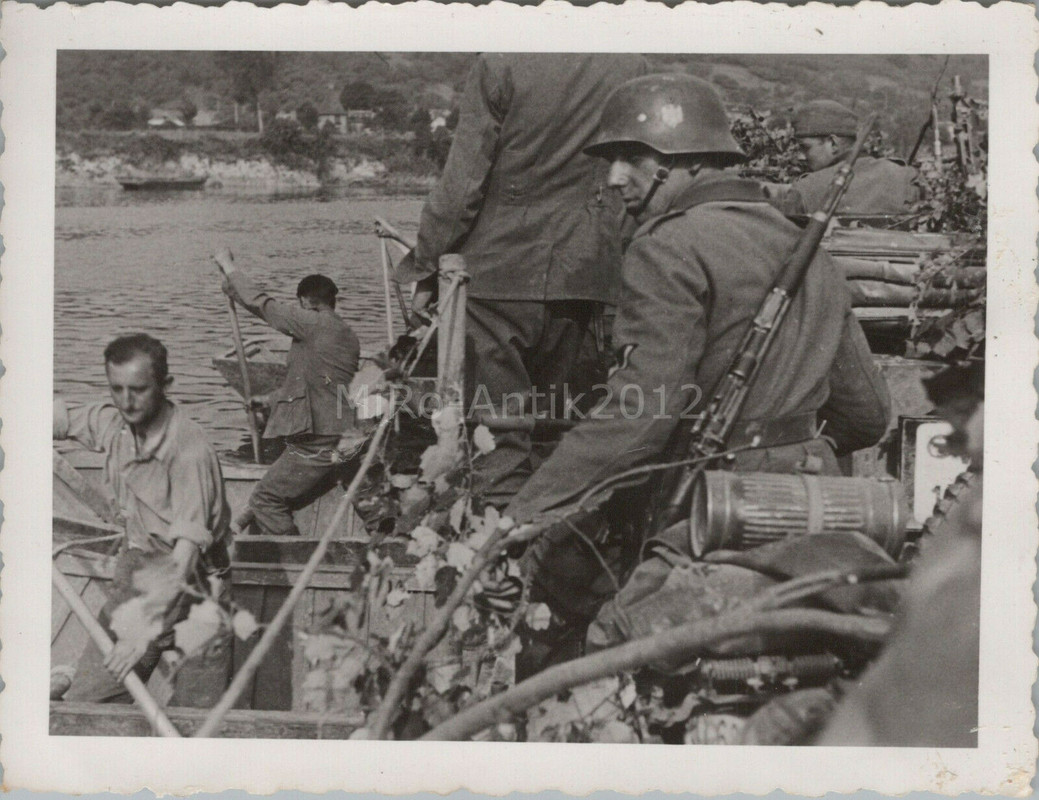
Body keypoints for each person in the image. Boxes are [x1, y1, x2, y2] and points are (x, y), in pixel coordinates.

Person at [501, 74, 892, 668]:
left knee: (611, 648)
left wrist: (527, 514)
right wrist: (792, 448)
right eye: (610, 161)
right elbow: (868, 414)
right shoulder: (806, 249)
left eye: (633, 158)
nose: (614, 179)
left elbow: (641, 414)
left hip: (717, 501)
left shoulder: (668, 247)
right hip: (817, 501)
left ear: (689, 162)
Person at [397, 53, 648, 507]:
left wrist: (428, 265)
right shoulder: (629, 63)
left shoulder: (501, 61)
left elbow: (462, 182)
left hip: (498, 273)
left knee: (499, 436)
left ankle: (493, 557)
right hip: (586, 276)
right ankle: (549, 555)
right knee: (558, 430)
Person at [54, 333, 232, 705]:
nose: (126, 402)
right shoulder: (115, 423)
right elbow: (56, 417)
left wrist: (142, 633)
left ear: (165, 386)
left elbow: (185, 556)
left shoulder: (189, 451)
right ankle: (83, 682)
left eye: (138, 390)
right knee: (90, 703)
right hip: (137, 569)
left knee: (197, 723)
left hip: (193, 585)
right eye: (116, 389)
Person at [215, 249, 361, 537]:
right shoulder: (347, 334)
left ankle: (295, 562)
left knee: (264, 499)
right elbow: (315, 383)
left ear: (305, 302)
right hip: (343, 435)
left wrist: (228, 268)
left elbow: (262, 304)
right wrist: (267, 401)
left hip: (318, 441)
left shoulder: (311, 321)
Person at [781, 99, 920, 217]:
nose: (800, 156)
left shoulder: (805, 189)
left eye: (805, 148)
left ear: (833, 143)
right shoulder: (905, 175)